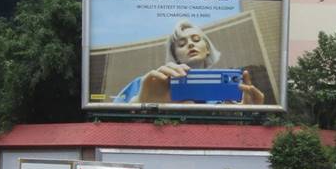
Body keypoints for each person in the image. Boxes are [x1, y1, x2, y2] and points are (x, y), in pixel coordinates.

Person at [112, 20, 265, 104]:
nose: (191, 44)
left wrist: (250, 117)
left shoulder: (232, 94)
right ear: (175, 56)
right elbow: (106, 120)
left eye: (196, 39)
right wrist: (139, 103)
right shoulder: (147, 84)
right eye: (181, 44)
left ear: (208, 49)